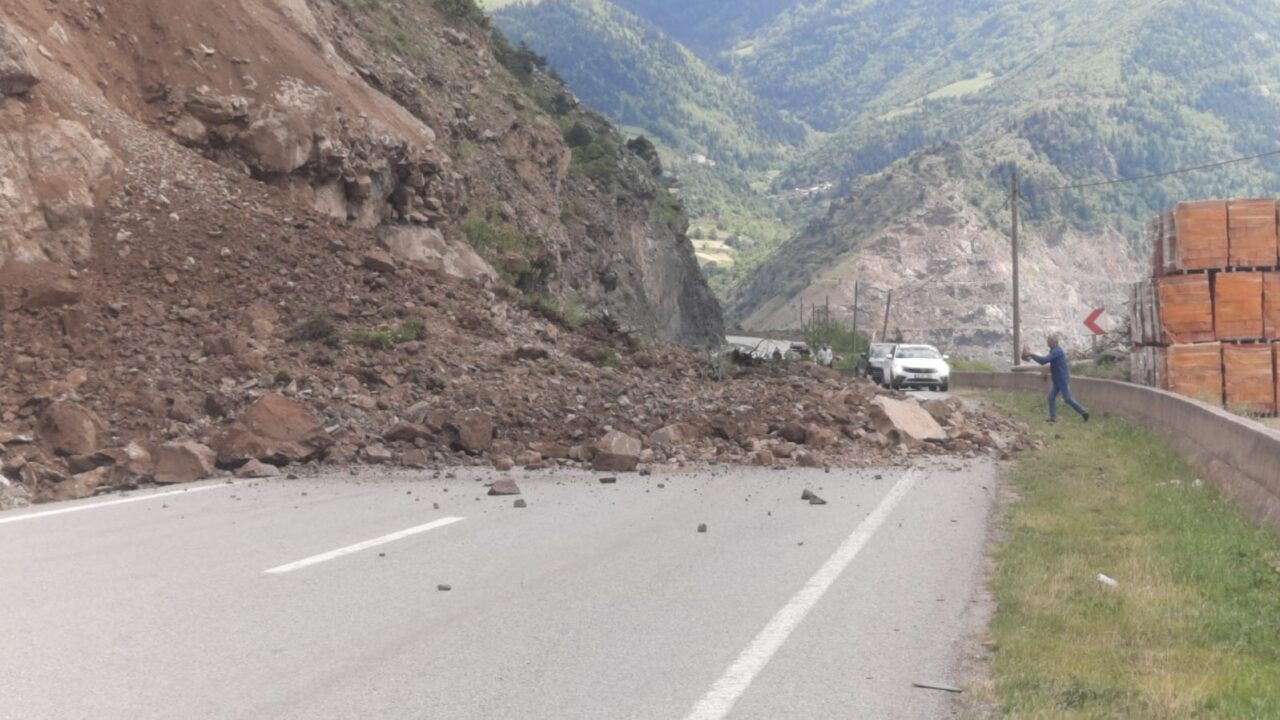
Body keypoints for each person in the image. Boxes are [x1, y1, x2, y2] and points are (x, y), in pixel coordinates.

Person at [1024, 334, 1089, 423]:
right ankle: (1053, 418)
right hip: (1057, 380)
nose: (1047, 342)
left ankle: (1084, 412)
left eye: (1048, 341)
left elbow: (1043, 361)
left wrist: (1031, 354)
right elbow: (1045, 362)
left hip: (1062, 379)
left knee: (1068, 399)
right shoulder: (1054, 351)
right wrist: (1032, 355)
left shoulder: (1057, 352)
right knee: (1051, 397)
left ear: (1054, 342)